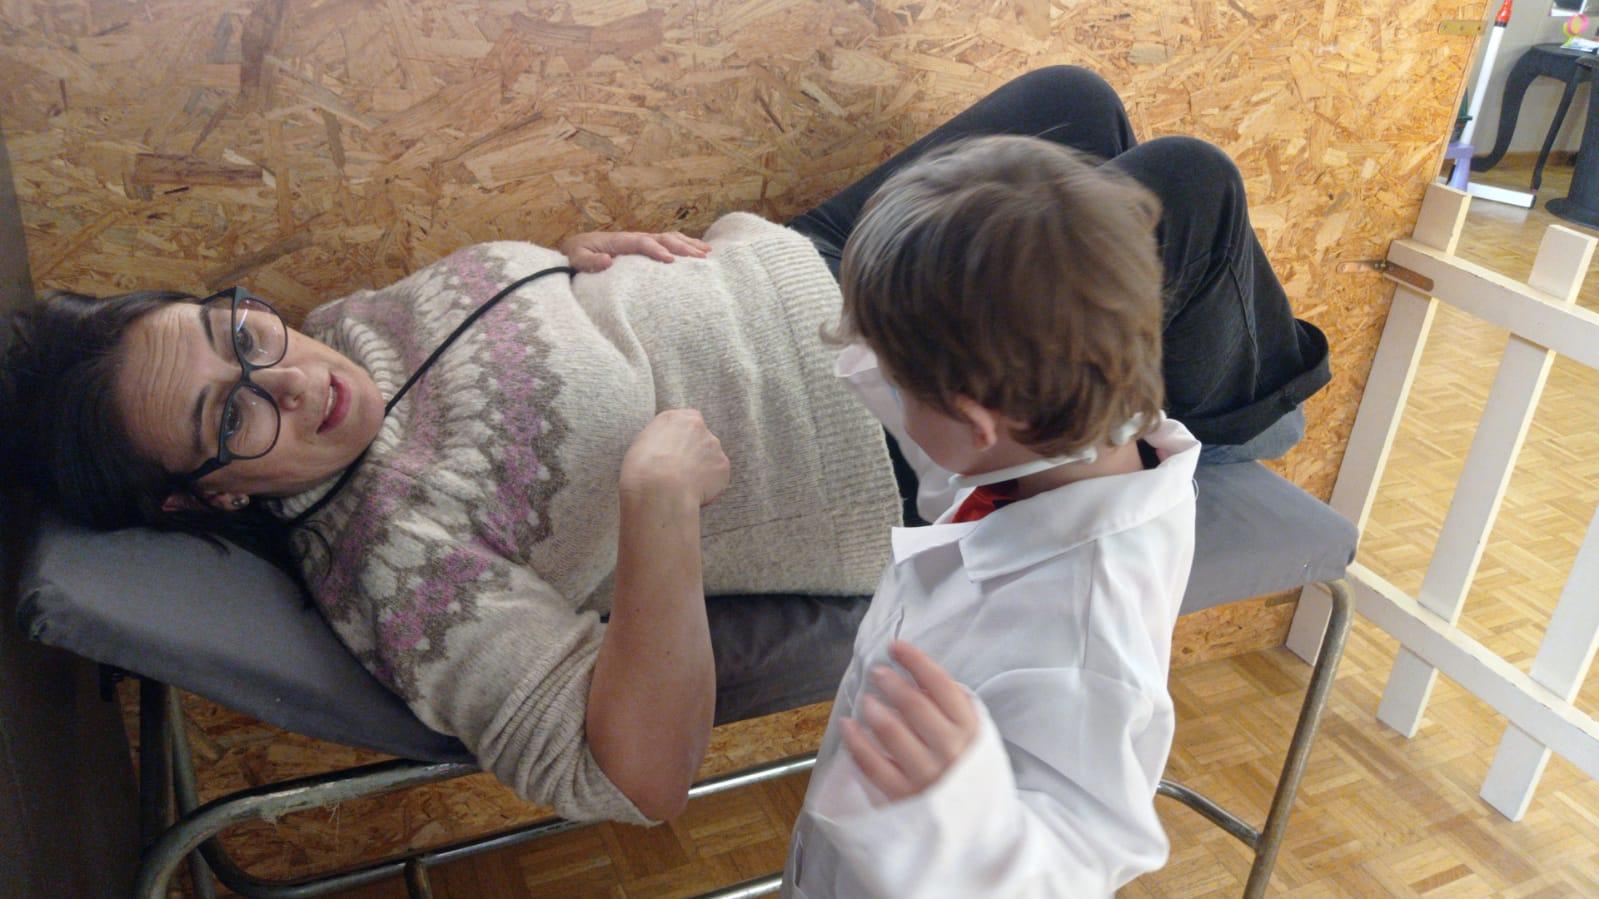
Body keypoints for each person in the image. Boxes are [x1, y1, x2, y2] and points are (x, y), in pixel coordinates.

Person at [0, 67, 1327, 826]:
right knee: (1188, 186)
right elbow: (632, 775)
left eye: (238, 332)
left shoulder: (341, 327)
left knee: (1074, 107)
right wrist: (655, 505)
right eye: (235, 414)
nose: (293, 377)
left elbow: (496, 348)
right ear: (200, 498)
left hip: (803, 258)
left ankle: (1165, 356)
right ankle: (1239, 408)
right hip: (877, 397)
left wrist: (575, 265)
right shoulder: (396, 571)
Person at [785, 135, 1198, 897]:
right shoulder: (1062, 434)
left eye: (897, 381)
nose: (884, 388)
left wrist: (965, 818)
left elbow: (1085, 863)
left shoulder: (1083, 633)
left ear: (976, 419)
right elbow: (946, 440)